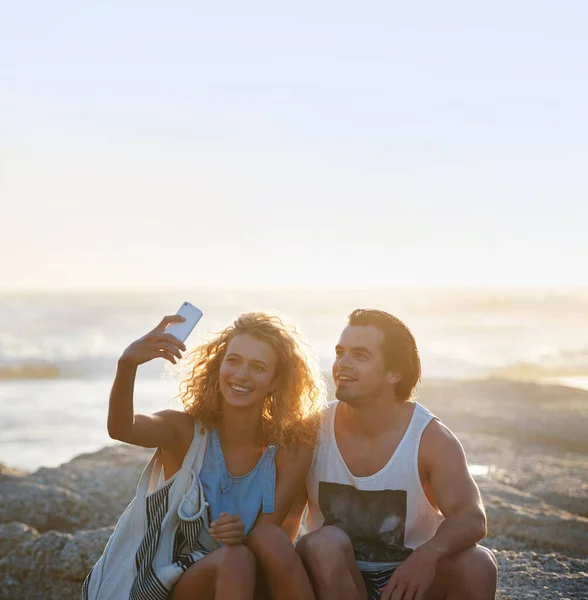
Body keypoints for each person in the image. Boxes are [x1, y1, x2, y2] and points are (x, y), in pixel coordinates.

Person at [106, 311, 324, 600]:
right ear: (218, 365)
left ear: (275, 381)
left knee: (250, 551)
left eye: (258, 367)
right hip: (178, 578)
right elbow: (123, 429)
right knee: (236, 560)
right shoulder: (184, 431)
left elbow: (270, 538)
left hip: (253, 576)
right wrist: (128, 363)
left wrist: (240, 535)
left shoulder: (292, 449)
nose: (241, 375)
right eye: (233, 361)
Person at [297, 309, 498, 600]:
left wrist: (428, 554)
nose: (342, 364)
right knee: (323, 543)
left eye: (360, 355)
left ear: (394, 373)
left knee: (477, 563)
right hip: (332, 577)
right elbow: (284, 524)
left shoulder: (429, 439)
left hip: (408, 582)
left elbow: (471, 517)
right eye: (340, 352)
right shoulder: (311, 431)